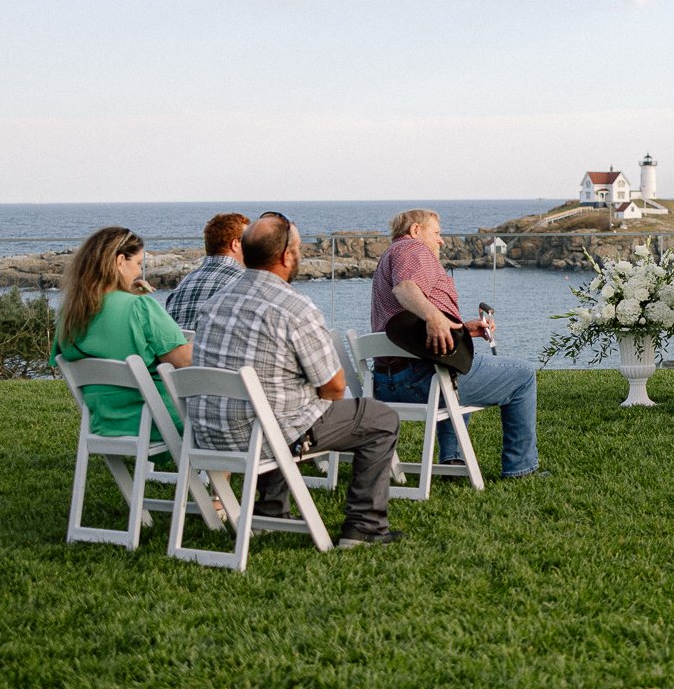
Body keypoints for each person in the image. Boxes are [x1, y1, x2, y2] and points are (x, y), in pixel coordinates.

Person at [189, 213, 404, 547]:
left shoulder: (215, 303)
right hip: (264, 435)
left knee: (281, 404)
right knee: (380, 418)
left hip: (209, 434)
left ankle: (270, 513)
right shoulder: (294, 308)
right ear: (286, 256)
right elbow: (333, 387)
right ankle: (364, 526)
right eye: (299, 248)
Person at [371, 208, 541, 478]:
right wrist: (434, 317)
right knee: (523, 376)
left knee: (458, 363)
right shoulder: (413, 250)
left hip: (385, 385)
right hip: (424, 382)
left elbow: (408, 329)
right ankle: (521, 467)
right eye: (437, 233)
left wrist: (459, 329)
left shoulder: (388, 258)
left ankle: (451, 460)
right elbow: (405, 288)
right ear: (416, 231)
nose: (441, 241)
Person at [50, 226, 191, 438]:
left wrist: (124, 295)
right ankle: (215, 471)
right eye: (138, 264)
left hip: (106, 424)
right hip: (160, 422)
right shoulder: (140, 307)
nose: (138, 272)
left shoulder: (70, 315)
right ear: (119, 261)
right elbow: (184, 362)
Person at [164, 212, 250, 333]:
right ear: (235, 244)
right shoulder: (245, 282)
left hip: (180, 350)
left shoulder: (182, 286)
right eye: (248, 240)